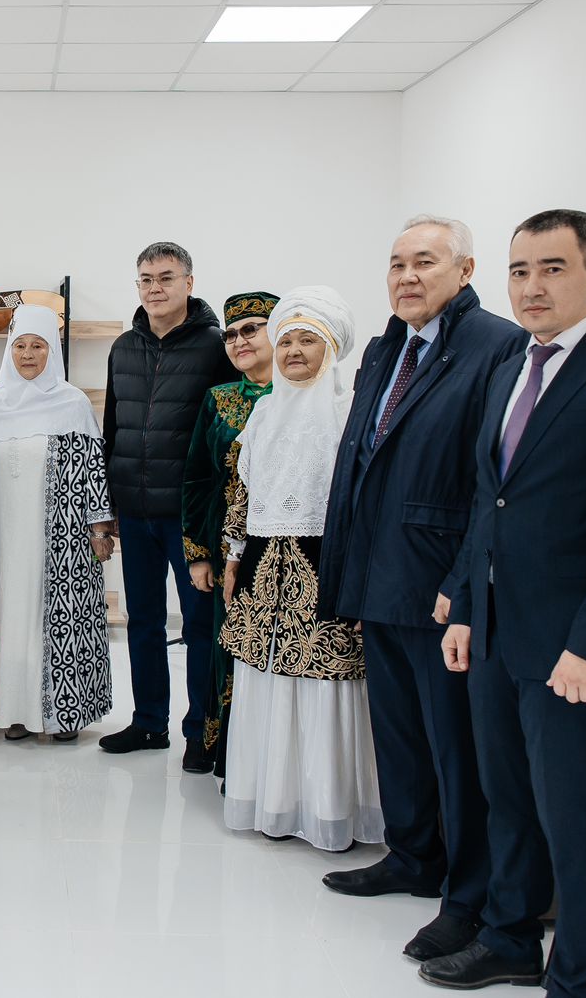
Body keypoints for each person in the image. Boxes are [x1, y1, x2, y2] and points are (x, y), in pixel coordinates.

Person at [423, 211, 586, 996]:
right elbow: (488, 501)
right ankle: (509, 938)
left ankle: (584, 977)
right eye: (519, 270)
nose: (531, 286)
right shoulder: (511, 367)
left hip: (575, 652)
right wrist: (468, 606)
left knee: (573, 820)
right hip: (499, 636)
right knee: (506, 800)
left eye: (552, 268)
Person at [313, 217, 526, 964]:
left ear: (464, 270)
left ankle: (465, 895)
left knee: (454, 749)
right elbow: (364, 456)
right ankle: (412, 854)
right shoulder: (384, 347)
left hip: (437, 585)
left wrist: (460, 582)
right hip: (376, 571)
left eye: (425, 263)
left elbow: (490, 484)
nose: (407, 276)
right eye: (396, 263)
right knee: (398, 735)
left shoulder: (494, 346)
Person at [218, 286, 381, 851]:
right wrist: (233, 552)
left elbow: (368, 505)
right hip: (265, 567)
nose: (292, 351)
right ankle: (273, 800)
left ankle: (330, 810)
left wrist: (364, 579)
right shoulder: (263, 411)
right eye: (285, 340)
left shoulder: (351, 414)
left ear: (330, 348)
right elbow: (242, 490)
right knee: (267, 682)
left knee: (326, 687)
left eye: (307, 340)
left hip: (327, 567)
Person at [100, 242, 232, 773]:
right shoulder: (123, 348)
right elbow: (112, 429)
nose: (155, 288)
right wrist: (107, 507)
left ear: (189, 283)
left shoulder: (216, 346)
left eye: (166, 278)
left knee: (199, 623)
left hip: (189, 513)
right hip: (134, 509)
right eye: (146, 279)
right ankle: (149, 720)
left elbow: (223, 431)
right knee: (144, 621)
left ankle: (201, 730)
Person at [0, 305, 114, 741]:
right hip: (4, 537)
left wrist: (100, 527)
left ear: (51, 351)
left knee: (58, 618)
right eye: (19, 345)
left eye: (38, 345)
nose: (27, 354)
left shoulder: (71, 403)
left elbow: (94, 469)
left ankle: (63, 714)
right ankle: (17, 710)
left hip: (62, 537)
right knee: (9, 613)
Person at [181, 290, 277, 778]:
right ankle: (225, 750)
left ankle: (276, 763)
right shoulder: (221, 399)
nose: (239, 341)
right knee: (226, 648)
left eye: (252, 329)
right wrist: (198, 555)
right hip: (229, 552)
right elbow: (198, 477)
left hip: (291, 551)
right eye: (232, 334)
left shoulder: (303, 394)